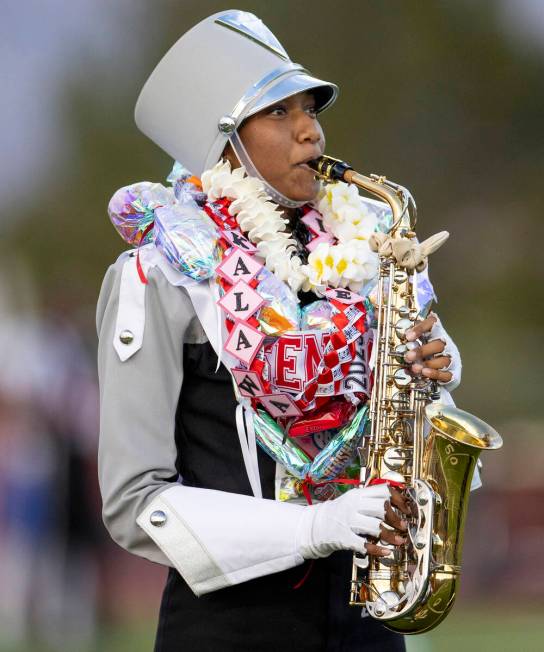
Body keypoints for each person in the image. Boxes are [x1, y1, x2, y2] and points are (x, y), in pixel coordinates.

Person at [97, 11, 472, 652]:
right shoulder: (158, 272)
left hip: (364, 615)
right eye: (278, 113)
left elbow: (404, 422)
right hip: (230, 629)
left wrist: (432, 377)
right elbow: (134, 502)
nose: (311, 132)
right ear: (221, 141)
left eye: (310, 109)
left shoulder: (360, 252)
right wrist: (312, 528)